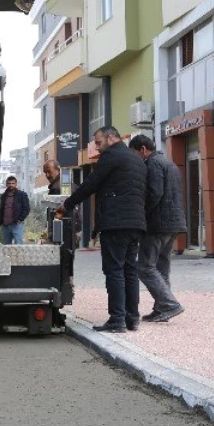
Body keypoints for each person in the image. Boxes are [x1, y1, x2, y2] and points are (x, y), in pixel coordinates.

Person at [57, 126, 146, 333]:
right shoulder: (136, 159)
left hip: (116, 223)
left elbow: (90, 185)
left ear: (111, 137)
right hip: (136, 223)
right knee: (130, 270)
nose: (97, 148)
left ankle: (117, 320)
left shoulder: (111, 156)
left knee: (114, 270)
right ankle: (132, 318)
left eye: (98, 142)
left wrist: (67, 205)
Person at [129, 135, 187, 322]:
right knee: (161, 266)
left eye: (135, 153)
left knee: (145, 266)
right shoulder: (170, 164)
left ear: (143, 149)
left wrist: (141, 214)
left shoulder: (153, 164)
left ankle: (169, 304)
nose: (135, 158)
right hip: (174, 223)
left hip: (158, 224)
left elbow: (154, 193)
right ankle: (162, 308)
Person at [0, 175, 29, 245]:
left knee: (18, 245)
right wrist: (0, 222)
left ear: (16, 184)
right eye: (9, 183)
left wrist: (20, 219)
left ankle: (19, 256)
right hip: (5, 225)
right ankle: (6, 257)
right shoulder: (4, 196)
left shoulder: (22, 195)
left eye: (13, 183)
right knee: (4, 246)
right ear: (6, 184)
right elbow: (1, 209)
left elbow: (26, 209)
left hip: (16, 225)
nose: (11, 185)